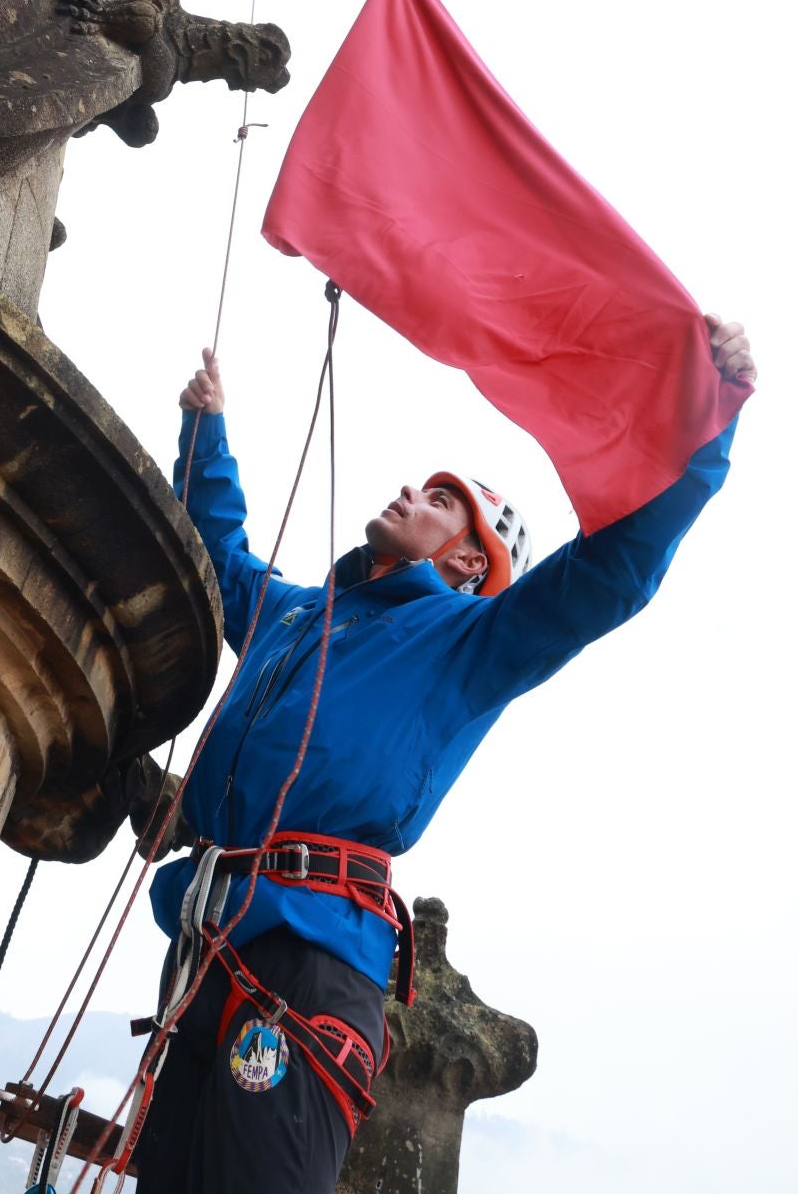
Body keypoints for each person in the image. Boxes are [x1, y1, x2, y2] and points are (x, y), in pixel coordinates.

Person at [133, 316, 755, 1194]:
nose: (409, 493)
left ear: (470, 558)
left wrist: (703, 435)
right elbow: (221, 553)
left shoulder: (470, 641)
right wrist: (207, 431)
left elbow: (605, 575)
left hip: (309, 957)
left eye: (441, 498)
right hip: (209, 939)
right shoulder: (296, 613)